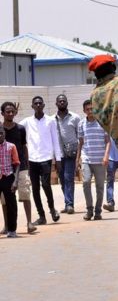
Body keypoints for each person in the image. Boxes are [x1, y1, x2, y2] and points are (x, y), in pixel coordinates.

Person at [20, 96, 62, 225]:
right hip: (32, 159)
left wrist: (58, 160)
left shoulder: (50, 121)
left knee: (46, 185)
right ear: (32, 106)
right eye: (35, 104)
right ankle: (41, 216)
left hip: (46, 158)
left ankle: (52, 209)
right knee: (35, 188)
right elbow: (13, 126)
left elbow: (55, 140)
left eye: (40, 103)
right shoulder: (27, 122)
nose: (38, 105)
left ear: (43, 105)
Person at [0, 102, 36, 234]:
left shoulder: (20, 128)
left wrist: (27, 165)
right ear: (2, 113)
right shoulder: (0, 129)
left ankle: (29, 223)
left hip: (21, 167)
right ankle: (7, 225)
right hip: (5, 170)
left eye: (12, 111)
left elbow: (24, 147)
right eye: (7, 111)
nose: (10, 114)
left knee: (25, 194)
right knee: (5, 199)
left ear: (15, 112)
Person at [76, 100, 110, 221]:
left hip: (100, 160)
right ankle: (89, 209)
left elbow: (108, 141)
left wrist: (106, 156)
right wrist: (78, 159)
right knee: (85, 183)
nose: (90, 111)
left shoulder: (102, 122)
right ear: (84, 111)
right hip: (87, 158)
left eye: (92, 109)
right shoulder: (81, 124)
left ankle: (98, 211)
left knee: (100, 187)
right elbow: (80, 143)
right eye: (88, 109)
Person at [54, 94, 81, 214]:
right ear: (56, 104)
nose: (61, 102)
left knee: (68, 178)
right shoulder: (52, 119)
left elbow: (80, 137)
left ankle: (70, 204)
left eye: (63, 101)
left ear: (67, 103)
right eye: (59, 101)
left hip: (71, 153)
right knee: (62, 179)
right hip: (58, 154)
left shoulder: (75, 118)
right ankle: (67, 203)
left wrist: (79, 157)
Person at [0, 126, 20, 238]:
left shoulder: (11, 146)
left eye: (1, 133)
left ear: (4, 134)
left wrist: (15, 181)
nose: (0, 135)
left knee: (11, 205)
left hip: (8, 178)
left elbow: (16, 163)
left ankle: (12, 230)